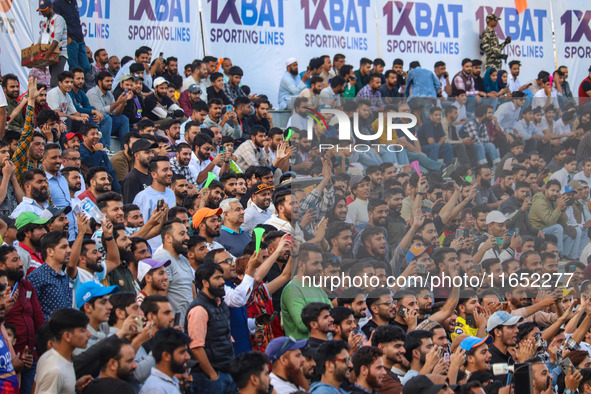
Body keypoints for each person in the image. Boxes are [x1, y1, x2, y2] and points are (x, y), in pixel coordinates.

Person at [186, 263, 237, 393]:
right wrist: (212, 375)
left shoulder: (220, 304)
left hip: (226, 372)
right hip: (209, 378)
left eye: (222, 277)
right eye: (217, 278)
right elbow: (196, 347)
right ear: (205, 283)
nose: (222, 282)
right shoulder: (199, 309)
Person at [35, 308, 92, 394]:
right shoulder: (55, 371)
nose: (89, 334)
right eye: (83, 330)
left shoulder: (49, 356)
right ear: (67, 336)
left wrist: (73, 387)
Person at [281, 243, 331, 339]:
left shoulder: (318, 289)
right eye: (315, 263)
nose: (320, 268)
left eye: (321, 263)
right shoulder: (292, 289)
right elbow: (303, 325)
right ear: (301, 265)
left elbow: (332, 314)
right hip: (302, 351)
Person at [139, 327, 192, 394]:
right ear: (166, 356)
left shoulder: (170, 381)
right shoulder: (155, 389)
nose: (188, 357)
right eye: (182, 352)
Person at [87, 71, 132, 149]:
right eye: (107, 81)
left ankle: (126, 148)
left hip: (107, 123)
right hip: (95, 122)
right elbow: (100, 112)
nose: (110, 83)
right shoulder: (92, 93)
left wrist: (123, 102)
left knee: (123, 119)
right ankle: (105, 147)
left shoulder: (109, 94)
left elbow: (116, 113)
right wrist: (118, 102)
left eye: (111, 81)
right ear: (99, 82)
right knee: (107, 118)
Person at [36, 0, 68, 88]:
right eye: (41, 10)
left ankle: (58, 101)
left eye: (44, 10)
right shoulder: (45, 23)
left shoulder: (58, 19)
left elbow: (57, 38)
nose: (42, 12)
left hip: (59, 54)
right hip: (51, 54)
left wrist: (49, 52)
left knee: (55, 82)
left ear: (51, 8)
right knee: (54, 81)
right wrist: (35, 49)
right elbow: (41, 40)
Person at [371, 325, 406, 394]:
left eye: (403, 346)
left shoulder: (391, 375)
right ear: (381, 347)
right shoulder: (380, 378)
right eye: (397, 346)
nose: (403, 350)